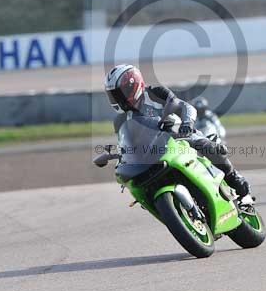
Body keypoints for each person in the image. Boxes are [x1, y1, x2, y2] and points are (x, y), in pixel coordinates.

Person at [104, 64, 251, 198]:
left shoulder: (155, 92)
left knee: (207, 146)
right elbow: (125, 143)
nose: (119, 99)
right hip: (153, 152)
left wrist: (187, 123)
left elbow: (184, 106)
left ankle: (234, 177)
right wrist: (120, 156)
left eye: (120, 93)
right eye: (114, 95)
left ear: (134, 84)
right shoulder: (120, 121)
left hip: (179, 135)